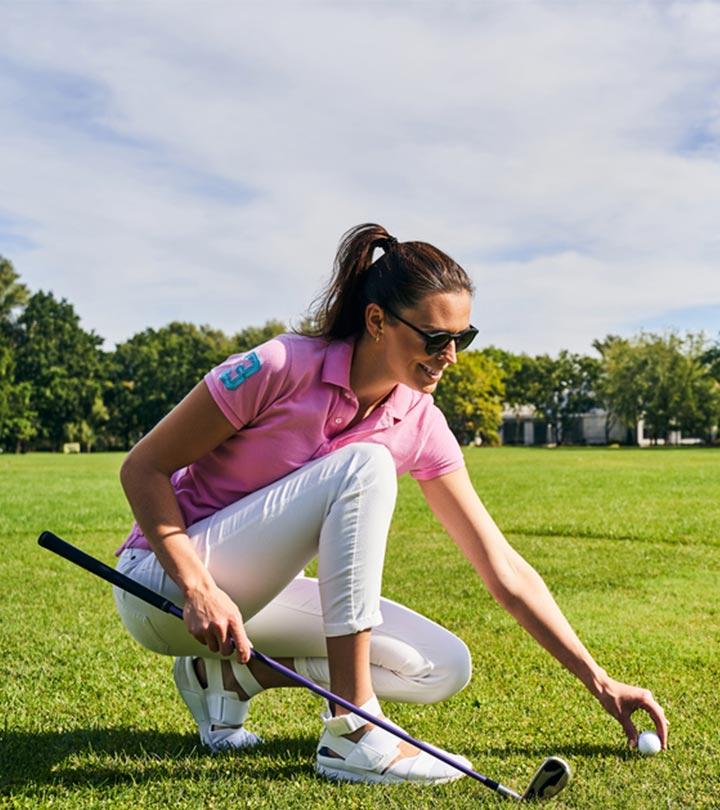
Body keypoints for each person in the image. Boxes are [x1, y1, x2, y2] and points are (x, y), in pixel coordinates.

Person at [113, 223, 668, 785]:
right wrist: (199, 589)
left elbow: (501, 568)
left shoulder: (422, 422)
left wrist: (600, 680)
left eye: (462, 337)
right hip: (162, 589)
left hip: (248, 605)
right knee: (366, 463)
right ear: (376, 320)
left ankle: (232, 680)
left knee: (440, 666)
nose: (450, 356)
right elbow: (142, 468)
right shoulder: (281, 365)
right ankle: (352, 730)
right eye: (434, 337)